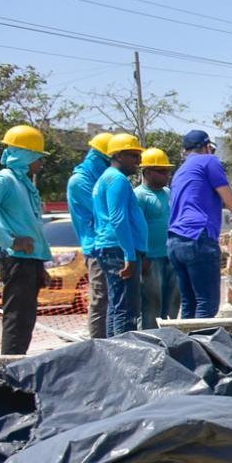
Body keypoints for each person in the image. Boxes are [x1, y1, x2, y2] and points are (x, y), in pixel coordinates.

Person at [168, 130, 232, 319]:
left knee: (189, 303)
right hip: (198, 237)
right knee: (207, 304)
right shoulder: (209, 161)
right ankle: (201, 339)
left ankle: (186, 339)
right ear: (208, 147)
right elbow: (229, 199)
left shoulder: (180, 171)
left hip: (175, 241)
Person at [0, 126, 51, 355]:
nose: (41, 163)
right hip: (16, 259)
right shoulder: (5, 180)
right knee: (17, 319)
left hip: (28, 260)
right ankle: (10, 370)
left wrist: (40, 264)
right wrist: (10, 241)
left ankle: (16, 364)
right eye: (38, 157)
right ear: (25, 156)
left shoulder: (23, 184)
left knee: (25, 319)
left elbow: (31, 225)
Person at [92, 133, 147, 337]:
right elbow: (117, 218)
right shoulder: (117, 179)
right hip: (118, 249)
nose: (138, 161)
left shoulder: (106, 178)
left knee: (117, 307)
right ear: (118, 155)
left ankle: (112, 349)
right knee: (126, 309)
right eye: (133, 155)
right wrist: (129, 256)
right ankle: (124, 352)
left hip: (112, 247)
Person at [68, 132, 114, 338]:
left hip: (111, 246)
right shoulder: (80, 181)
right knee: (100, 300)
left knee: (115, 300)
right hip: (96, 248)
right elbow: (103, 210)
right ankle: (98, 345)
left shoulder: (101, 179)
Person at [135, 148, 180, 329]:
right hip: (150, 260)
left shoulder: (168, 193)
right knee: (151, 306)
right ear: (147, 172)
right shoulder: (139, 196)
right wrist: (142, 256)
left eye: (167, 171)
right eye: (161, 171)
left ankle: (170, 339)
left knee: (173, 304)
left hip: (171, 257)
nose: (166, 175)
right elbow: (135, 228)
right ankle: (150, 340)